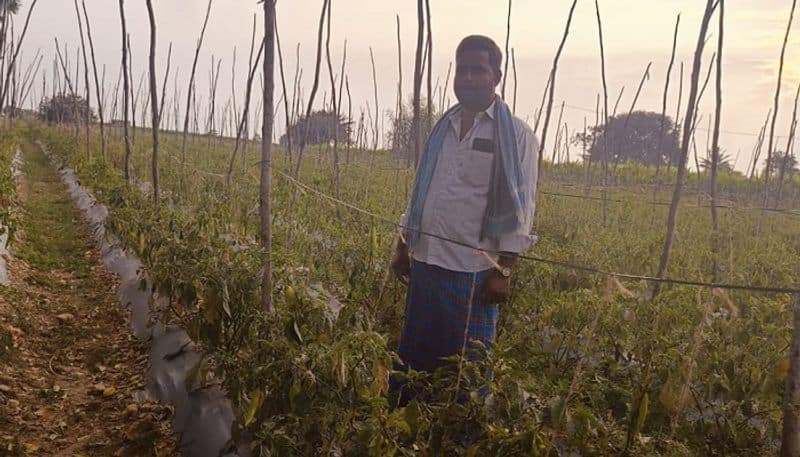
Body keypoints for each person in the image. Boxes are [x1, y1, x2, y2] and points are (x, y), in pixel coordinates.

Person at [390, 35, 539, 396]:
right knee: (414, 362)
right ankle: (405, 431)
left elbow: (522, 208)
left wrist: (503, 271)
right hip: (426, 263)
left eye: (478, 70)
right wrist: (402, 244)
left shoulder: (516, 136)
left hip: (473, 274)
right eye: (462, 69)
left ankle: (463, 440)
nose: (468, 77)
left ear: (496, 76)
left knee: (467, 375)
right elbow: (424, 192)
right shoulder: (443, 129)